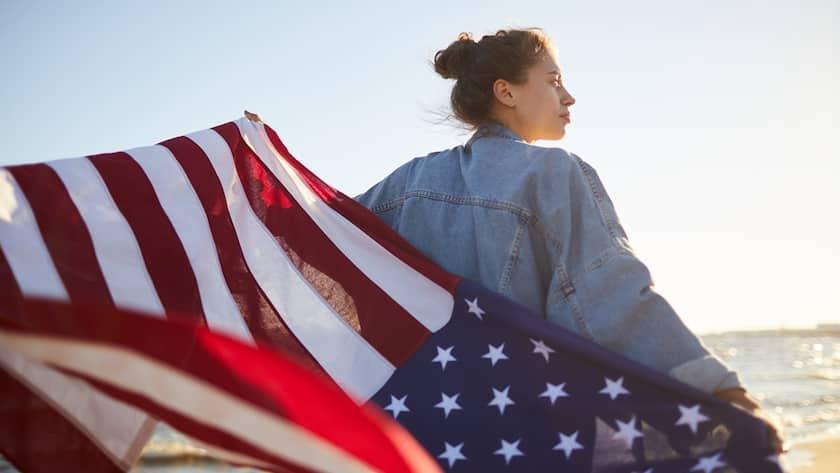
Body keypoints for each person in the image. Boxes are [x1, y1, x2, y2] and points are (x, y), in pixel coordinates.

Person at [354, 27, 784, 453]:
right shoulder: (552, 173)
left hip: (419, 434)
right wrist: (720, 394)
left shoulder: (404, 184)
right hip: (516, 434)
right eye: (554, 81)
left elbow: (322, 238)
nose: (569, 96)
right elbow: (606, 293)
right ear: (506, 92)